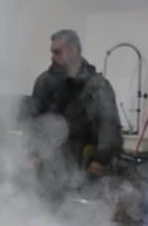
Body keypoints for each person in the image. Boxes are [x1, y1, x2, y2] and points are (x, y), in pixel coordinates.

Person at [29, 29, 121, 177]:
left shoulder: (98, 85)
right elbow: (33, 120)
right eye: (52, 52)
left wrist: (100, 159)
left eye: (57, 52)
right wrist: (32, 154)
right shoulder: (44, 82)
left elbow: (108, 125)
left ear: (73, 51)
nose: (52, 57)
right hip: (48, 167)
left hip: (85, 165)